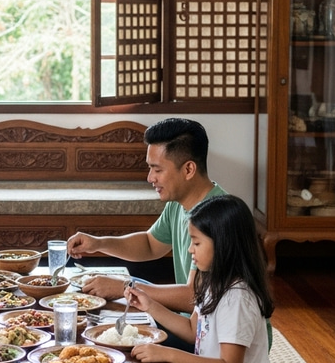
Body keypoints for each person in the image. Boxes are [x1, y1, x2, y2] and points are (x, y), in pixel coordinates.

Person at [99, 194, 275, 363]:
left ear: (223, 245)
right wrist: (150, 305)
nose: (190, 249)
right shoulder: (213, 280)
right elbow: (194, 332)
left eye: (196, 242)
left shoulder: (238, 298)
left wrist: (168, 353)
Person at [68, 118, 226, 314]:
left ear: (188, 169)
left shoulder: (218, 217)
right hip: (190, 321)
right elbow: (150, 244)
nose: (150, 178)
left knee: (111, 316)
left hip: (211, 335)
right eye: (150, 168)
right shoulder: (177, 203)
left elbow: (193, 297)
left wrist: (124, 288)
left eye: (157, 169)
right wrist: (98, 244)